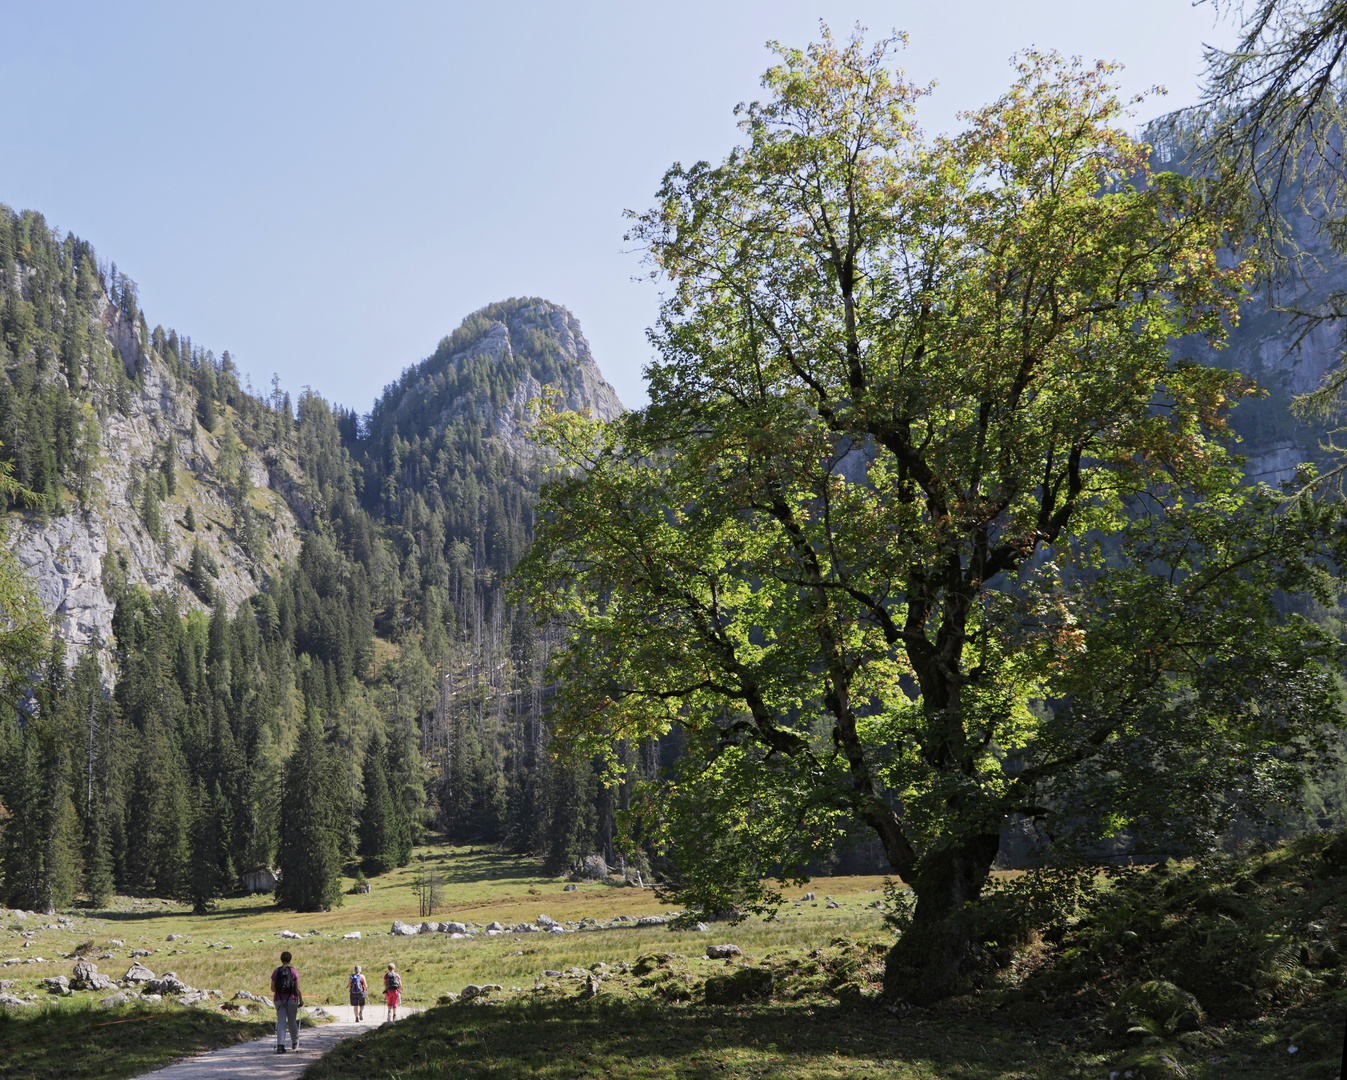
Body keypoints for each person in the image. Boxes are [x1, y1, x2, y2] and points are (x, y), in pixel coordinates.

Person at [271, 950, 304, 1054]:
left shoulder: (276, 972)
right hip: (292, 999)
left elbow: (272, 988)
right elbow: (297, 988)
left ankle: (280, 1045)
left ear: (281, 959)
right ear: (290, 960)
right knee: (292, 1021)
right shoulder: (294, 972)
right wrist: (301, 1000)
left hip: (279, 999)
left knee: (281, 1022)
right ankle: (295, 1042)